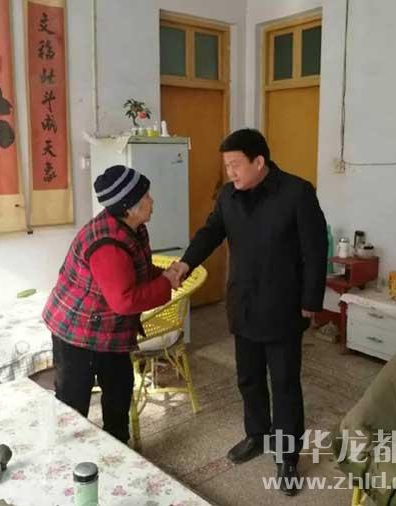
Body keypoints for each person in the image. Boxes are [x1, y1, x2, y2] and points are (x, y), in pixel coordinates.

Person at [172, 129, 327, 496]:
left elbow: (315, 250)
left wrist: (311, 301)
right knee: (249, 378)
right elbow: (210, 233)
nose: (230, 173)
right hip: (243, 304)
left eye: (235, 165)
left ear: (259, 162)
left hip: (283, 306)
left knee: (285, 385)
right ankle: (256, 435)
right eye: (227, 166)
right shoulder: (228, 197)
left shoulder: (297, 193)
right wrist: (185, 263)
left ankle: (287, 457)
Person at [43, 165, 180, 444]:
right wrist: (166, 284)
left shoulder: (133, 228)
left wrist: (164, 275)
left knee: (119, 392)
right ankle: (69, 457)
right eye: (146, 196)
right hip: (77, 332)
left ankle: (118, 451)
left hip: (110, 330)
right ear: (129, 207)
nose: (152, 200)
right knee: (73, 404)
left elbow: (137, 270)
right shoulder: (107, 244)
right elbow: (125, 300)